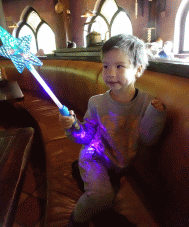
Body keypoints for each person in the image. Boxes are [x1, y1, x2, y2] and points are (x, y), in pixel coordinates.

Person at [59, 34, 167, 227]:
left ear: (138, 70)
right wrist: (72, 126)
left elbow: (149, 139)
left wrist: (156, 115)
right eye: (106, 65)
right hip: (94, 158)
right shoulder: (96, 102)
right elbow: (85, 137)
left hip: (121, 164)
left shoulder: (146, 102)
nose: (109, 73)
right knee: (102, 197)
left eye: (119, 66)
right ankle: (76, 219)